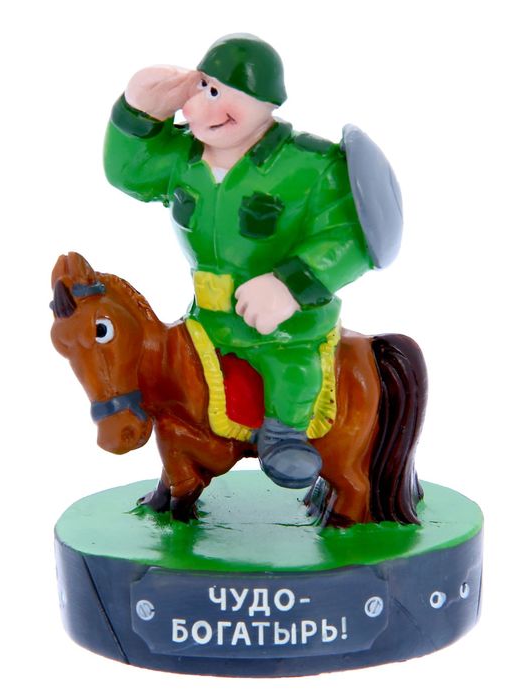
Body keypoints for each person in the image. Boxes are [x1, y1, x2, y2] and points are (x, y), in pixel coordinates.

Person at [104, 34, 381, 489]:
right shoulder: (184, 157)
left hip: (288, 325)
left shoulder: (314, 165)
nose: (202, 106)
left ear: (267, 102)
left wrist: (290, 286)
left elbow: (350, 237)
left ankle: (285, 434)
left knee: (291, 367)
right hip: (207, 318)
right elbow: (129, 171)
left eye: (219, 93)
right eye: (201, 88)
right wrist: (137, 114)